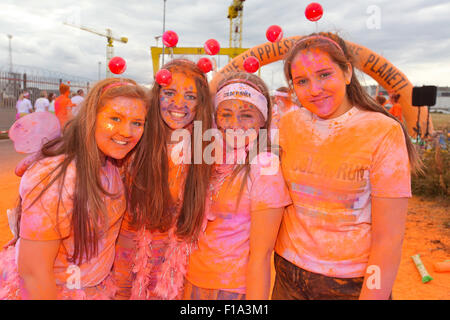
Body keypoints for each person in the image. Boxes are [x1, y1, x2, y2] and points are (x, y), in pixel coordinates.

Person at [272, 32, 421, 300]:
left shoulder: (382, 131)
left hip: (349, 283)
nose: (315, 89)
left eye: (325, 74)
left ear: (348, 72)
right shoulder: (288, 124)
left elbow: (388, 240)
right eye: (302, 81)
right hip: (287, 274)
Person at [0, 78, 149, 299]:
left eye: (137, 123)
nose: (127, 131)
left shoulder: (111, 162)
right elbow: (33, 274)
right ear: (91, 117)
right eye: (115, 118)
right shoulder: (57, 176)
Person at [184, 72, 292, 300]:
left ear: (263, 119)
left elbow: (261, 256)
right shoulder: (207, 159)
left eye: (246, 115)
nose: (234, 125)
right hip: (191, 280)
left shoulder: (265, 168)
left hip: (233, 290)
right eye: (226, 114)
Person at [111, 59, 214, 300]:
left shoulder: (206, 146)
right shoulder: (135, 136)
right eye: (169, 93)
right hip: (124, 261)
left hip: (172, 269)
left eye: (190, 96)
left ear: (201, 103)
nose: (179, 104)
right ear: (156, 95)